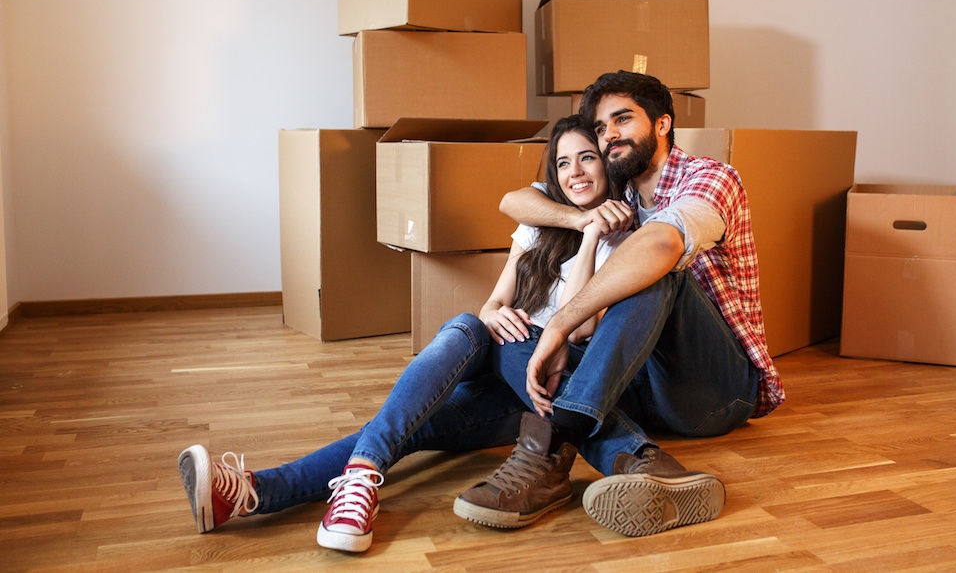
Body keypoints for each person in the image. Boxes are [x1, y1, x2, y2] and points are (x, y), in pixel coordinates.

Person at [176, 115, 662, 553]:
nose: (575, 172)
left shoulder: (627, 237)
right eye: (562, 163)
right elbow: (493, 303)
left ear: (607, 165)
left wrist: (594, 234)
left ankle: (261, 490)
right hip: (497, 356)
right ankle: (267, 491)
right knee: (462, 335)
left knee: (404, 425)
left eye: (586, 159)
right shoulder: (540, 228)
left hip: (538, 388)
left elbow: (581, 330)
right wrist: (494, 315)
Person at [468, 70, 785, 538]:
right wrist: (581, 219)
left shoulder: (712, 177)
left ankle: (554, 442)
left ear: (661, 124)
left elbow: (660, 245)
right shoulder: (622, 195)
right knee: (508, 335)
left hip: (716, 391)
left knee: (656, 271)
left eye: (622, 119)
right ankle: (645, 464)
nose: (609, 134)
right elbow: (516, 201)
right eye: (601, 128)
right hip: (646, 388)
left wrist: (559, 326)